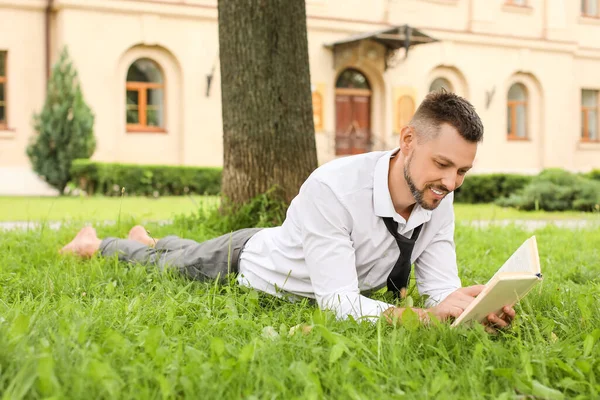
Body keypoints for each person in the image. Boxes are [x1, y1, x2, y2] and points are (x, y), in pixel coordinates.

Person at [61, 91, 515, 330]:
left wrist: (466, 308)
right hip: (249, 262)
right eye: (442, 165)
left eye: (462, 172)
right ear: (408, 141)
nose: (451, 183)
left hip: (284, 247)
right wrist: (423, 319)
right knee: (167, 266)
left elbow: (439, 289)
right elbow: (338, 305)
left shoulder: (438, 194)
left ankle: (154, 239)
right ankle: (97, 243)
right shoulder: (334, 189)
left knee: (178, 251)